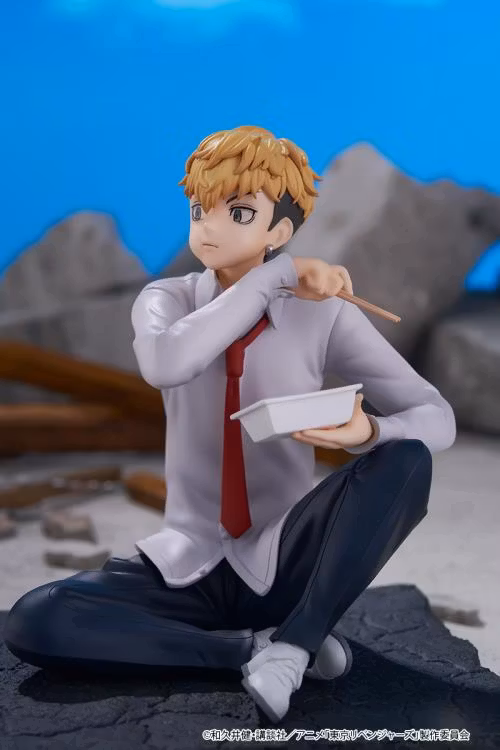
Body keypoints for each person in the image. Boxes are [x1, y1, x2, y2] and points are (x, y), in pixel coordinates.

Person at [4, 126, 456, 723]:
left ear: (279, 233)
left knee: (407, 458)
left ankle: (295, 643)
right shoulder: (166, 300)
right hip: (185, 565)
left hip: (285, 556)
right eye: (199, 210)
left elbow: (436, 417)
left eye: (239, 213)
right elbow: (168, 363)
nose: (210, 228)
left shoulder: (321, 317)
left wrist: (368, 434)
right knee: (38, 617)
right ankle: (251, 651)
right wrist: (273, 277)